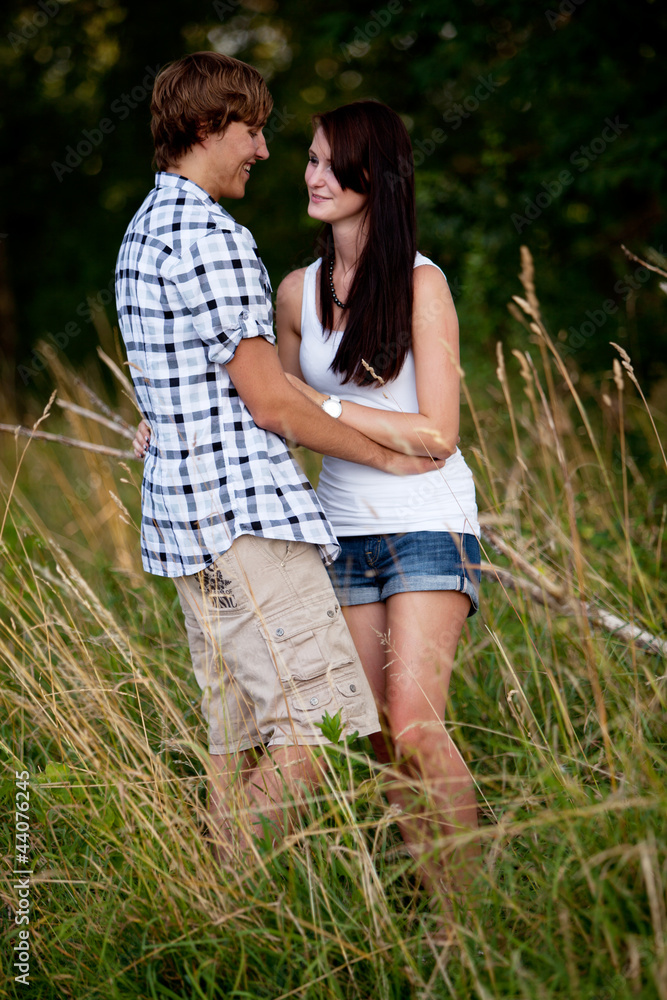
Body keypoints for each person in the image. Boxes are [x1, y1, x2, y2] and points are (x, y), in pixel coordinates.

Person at [116, 52, 438, 861]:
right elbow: (271, 401)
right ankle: (209, 897)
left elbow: (185, 387)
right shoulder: (210, 238)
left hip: (189, 533)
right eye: (253, 131)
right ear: (204, 128)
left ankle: (212, 917)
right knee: (318, 725)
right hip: (246, 524)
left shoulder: (141, 233)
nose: (263, 150)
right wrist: (383, 452)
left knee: (238, 744)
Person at [274, 101, 482, 897]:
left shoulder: (422, 283)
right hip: (340, 534)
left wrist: (319, 405)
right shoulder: (297, 293)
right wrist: (173, 427)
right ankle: (435, 903)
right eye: (310, 158)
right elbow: (277, 417)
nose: (313, 175)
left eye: (331, 163)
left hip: (428, 522)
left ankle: (463, 926)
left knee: (417, 724)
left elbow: (436, 432)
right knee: (373, 738)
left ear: (375, 175)